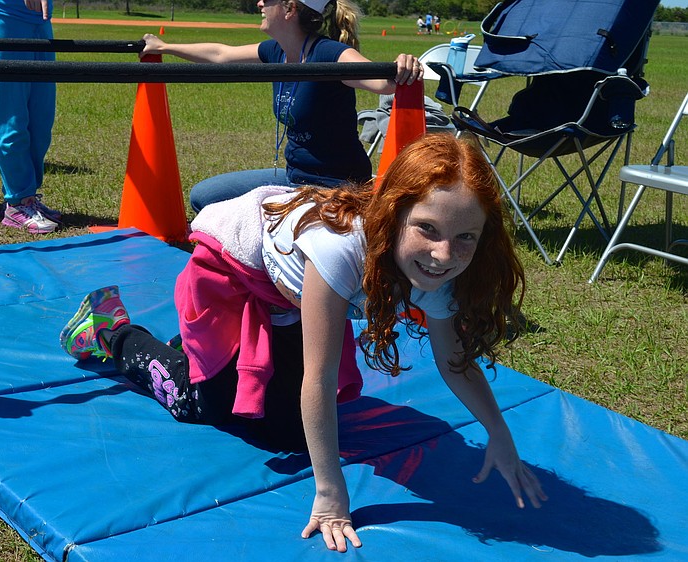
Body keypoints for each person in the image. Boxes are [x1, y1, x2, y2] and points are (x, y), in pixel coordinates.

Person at [59, 134, 548, 552]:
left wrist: (499, 435)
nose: (444, 254)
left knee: (290, 434)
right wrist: (331, 491)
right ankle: (112, 331)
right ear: (395, 214)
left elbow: (455, 363)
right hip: (232, 270)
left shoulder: (436, 270)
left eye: (466, 237)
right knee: (197, 400)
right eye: (428, 229)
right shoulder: (343, 249)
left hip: (291, 296)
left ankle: (207, 353)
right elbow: (319, 376)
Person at [140, 0, 423, 213]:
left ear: (289, 9)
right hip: (292, 178)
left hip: (335, 188)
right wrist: (164, 46)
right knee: (204, 197)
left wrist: (400, 67)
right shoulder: (276, 51)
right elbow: (221, 54)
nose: (260, 3)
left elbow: (381, 82)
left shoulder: (328, 53)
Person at [0, 0, 61, 234]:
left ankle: (29, 196)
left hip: (41, 25)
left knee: (41, 121)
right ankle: (17, 202)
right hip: (5, 21)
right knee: (12, 119)